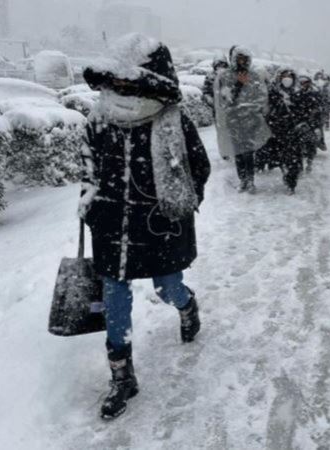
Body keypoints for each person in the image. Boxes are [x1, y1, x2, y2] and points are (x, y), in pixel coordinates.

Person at [80, 33, 211, 420]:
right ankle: (122, 376)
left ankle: (187, 306)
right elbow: (88, 168)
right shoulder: (99, 118)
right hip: (110, 225)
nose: (120, 87)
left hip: (158, 225)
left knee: (166, 287)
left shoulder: (172, 120)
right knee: (114, 296)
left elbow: (197, 169)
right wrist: (90, 203)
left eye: (128, 81)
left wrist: (176, 205)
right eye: (115, 81)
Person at [214, 46, 271, 193]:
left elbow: (261, 97)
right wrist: (238, 85)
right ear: (234, 60)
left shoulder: (255, 76)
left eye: (245, 59)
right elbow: (225, 99)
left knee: (248, 151)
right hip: (234, 120)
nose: (242, 62)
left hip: (251, 120)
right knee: (238, 152)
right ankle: (242, 180)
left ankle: (250, 181)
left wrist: (253, 109)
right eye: (239, 59)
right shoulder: (226, 76)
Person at [266, 68, 303, 194]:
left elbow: (303, 110)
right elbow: (268, 109)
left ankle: (291, 182)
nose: (287, 79)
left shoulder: (298, 93)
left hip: (293, 131)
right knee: (279, 156)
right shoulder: (273, 92)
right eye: (284, 76)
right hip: (277, 130)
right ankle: (284, 172)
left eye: (289, 76)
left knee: (293, 158)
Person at [294, 73, 324, 172]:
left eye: (305, 83)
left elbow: (320, 107)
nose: (303, 84)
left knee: (311, 144)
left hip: (312, 123)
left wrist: (316, 114)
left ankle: (309, 162)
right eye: (301, 83)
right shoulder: (295, 94)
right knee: (297, 145)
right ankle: (299, 165)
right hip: (299, 123)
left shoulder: (315, 94)